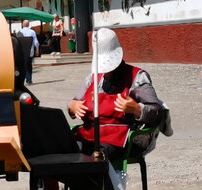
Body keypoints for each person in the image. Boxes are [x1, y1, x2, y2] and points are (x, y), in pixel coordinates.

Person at [68, 27, 165, 164]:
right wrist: (72, 106)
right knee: (60, 150)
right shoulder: (93, 78)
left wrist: (137, 109)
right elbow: (75, 102)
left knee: (94, 158)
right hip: (90, 135)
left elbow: (158, 112)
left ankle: (99, 185)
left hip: (120, 140)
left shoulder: (137, 77)